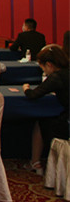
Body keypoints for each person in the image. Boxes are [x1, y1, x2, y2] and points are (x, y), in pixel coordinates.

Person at [22, 45, 69, 174]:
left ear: (49, 65)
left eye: (43, 68)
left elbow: (33, 95)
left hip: (66, 122)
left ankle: (36, 162)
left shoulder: (56, 77)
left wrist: (26, 88)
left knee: (41, 121)